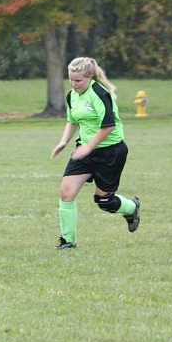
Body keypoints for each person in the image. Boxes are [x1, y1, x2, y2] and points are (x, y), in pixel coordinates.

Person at [50, 57, 140, 250]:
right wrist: (64, 141)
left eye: (78, 80)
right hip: (84, 151)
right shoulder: (72, 95)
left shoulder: (99, 93)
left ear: (89, 77)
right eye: (71, 79)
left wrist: (89, 146)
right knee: (66, 193)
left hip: (110, 152)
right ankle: (68, 241)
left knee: (104, 201)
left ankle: (131, 208)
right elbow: (72, 120)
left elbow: (108, 126)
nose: (73, 84)